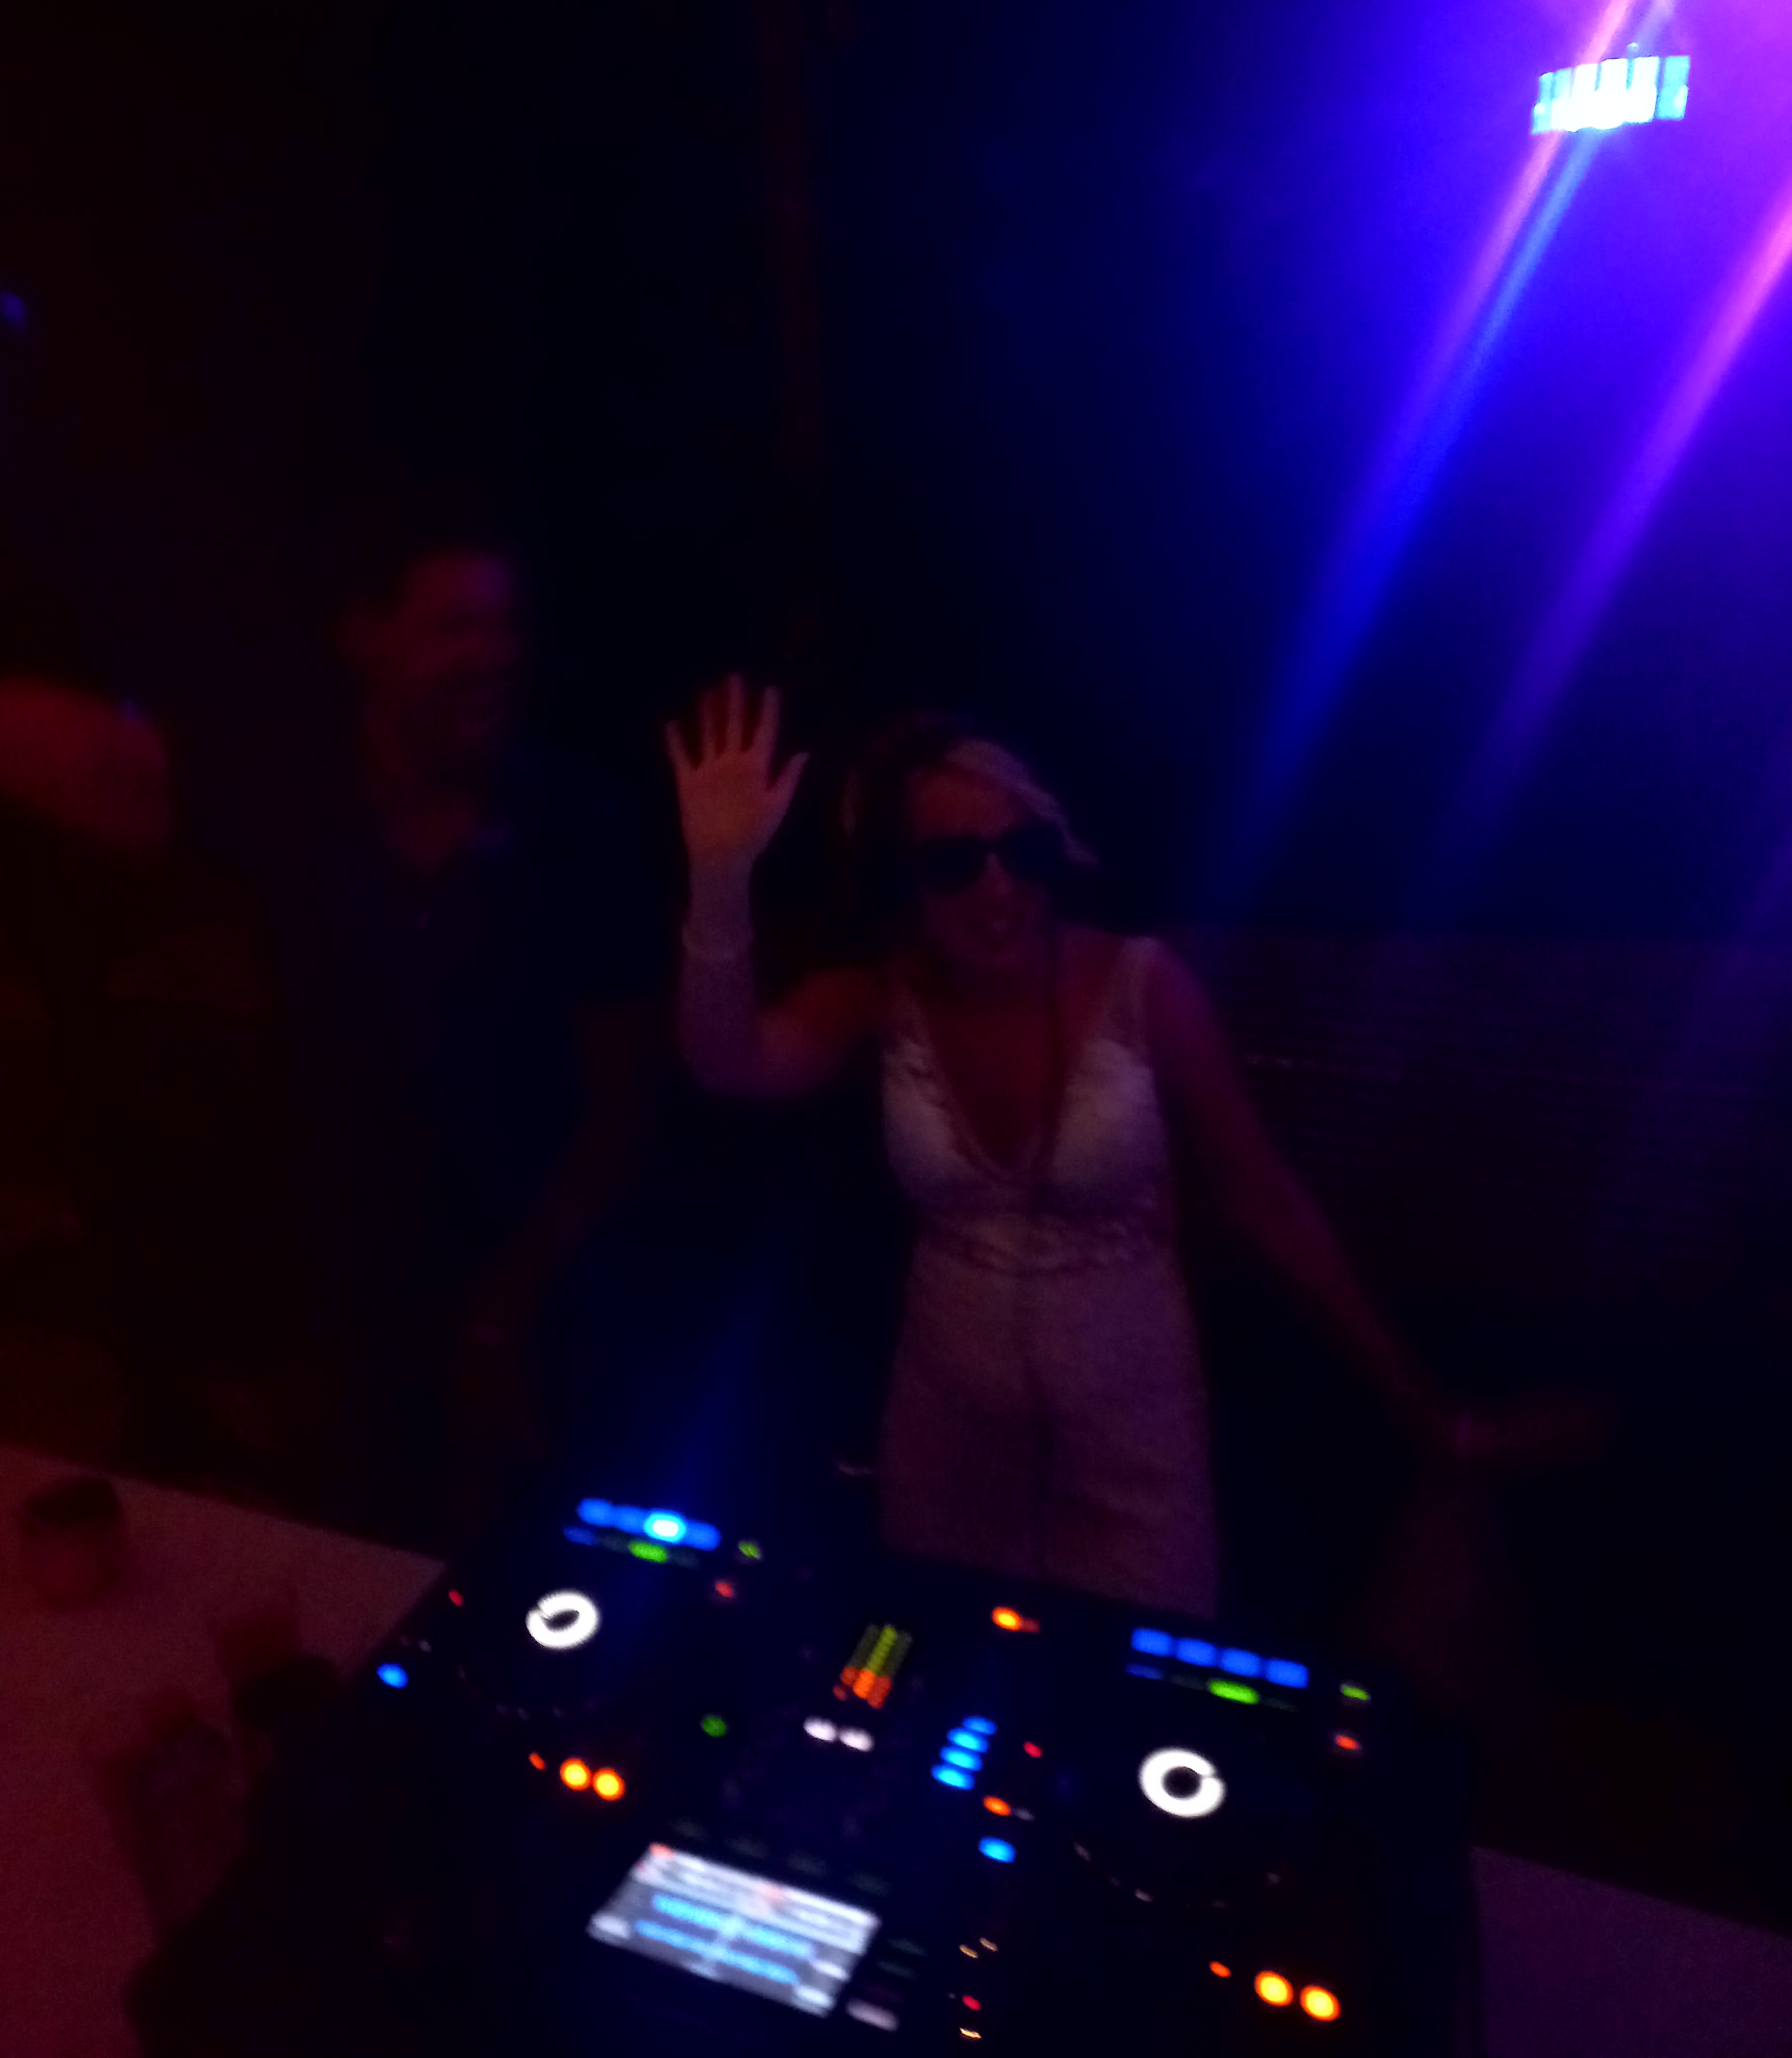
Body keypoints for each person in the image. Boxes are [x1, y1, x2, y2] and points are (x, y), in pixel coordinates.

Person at [669, 678, 1483, 1616]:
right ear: (900, 883)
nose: (999, 889)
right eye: (954, 864)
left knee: (1131, 1676)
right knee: (938, 1662)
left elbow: (1267, 1202)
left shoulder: (1142, 985)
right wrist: (720, 885)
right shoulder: (882, 996)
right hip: (945, 1442)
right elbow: (729, 1064)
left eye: (1021, 851)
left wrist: (1421, 1412)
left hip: (1133, 1451)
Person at [0, 507, 664, 1541]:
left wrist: (517, 1304)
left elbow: (624, 1103)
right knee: (353, 1572)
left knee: (543, 1575)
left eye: (506, 625)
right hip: (340, 1320)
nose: (493, 654)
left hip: (548, 1302)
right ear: (365, 635)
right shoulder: (299, 798)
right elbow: (110, 764)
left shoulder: (578, 826)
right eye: (455, 625)